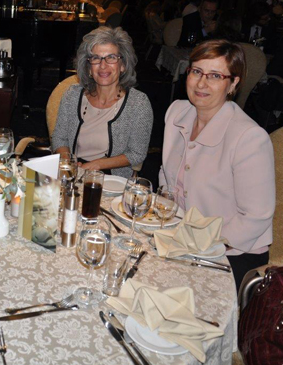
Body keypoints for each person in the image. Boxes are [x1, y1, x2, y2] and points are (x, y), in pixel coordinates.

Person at [159, 39, 275, 292]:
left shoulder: (248, 138)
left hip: (232, 251)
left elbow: (256, 217)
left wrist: (204, 246)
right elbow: (167, 178)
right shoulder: (177, 113)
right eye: (197, 71)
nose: (201, 83)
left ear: (233, 84)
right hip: (180, 237)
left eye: (215, 75)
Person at [51, 26, 153, 178]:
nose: (103, 65)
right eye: (96, 58)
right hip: (73, 173)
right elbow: (59, 138)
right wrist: (69, 165)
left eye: (111, 57)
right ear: (89, 68)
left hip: (112, 179)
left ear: (123, 65)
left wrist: (96, 165)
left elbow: (137, 153)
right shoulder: (72, 95)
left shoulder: (138, 104)